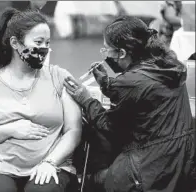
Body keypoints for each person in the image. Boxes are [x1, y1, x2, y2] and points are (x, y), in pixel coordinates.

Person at [0, 8, 82, 192]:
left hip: (50, 167)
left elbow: (73, 130)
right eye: (38, 42)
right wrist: (10, 129)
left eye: (47, 42)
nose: (44, 48)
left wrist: (50, 162)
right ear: (15, 43)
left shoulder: (59, 77)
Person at [64, 16, 195, 192]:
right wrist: (106, 83)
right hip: (183, 160)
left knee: (93, 178)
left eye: (107, 49)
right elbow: (143, 94)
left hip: (150, 166)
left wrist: (85, 98)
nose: (105, 55)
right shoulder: (167, 64)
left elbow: (109, 127)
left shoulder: (130, 81)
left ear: (122, 53)